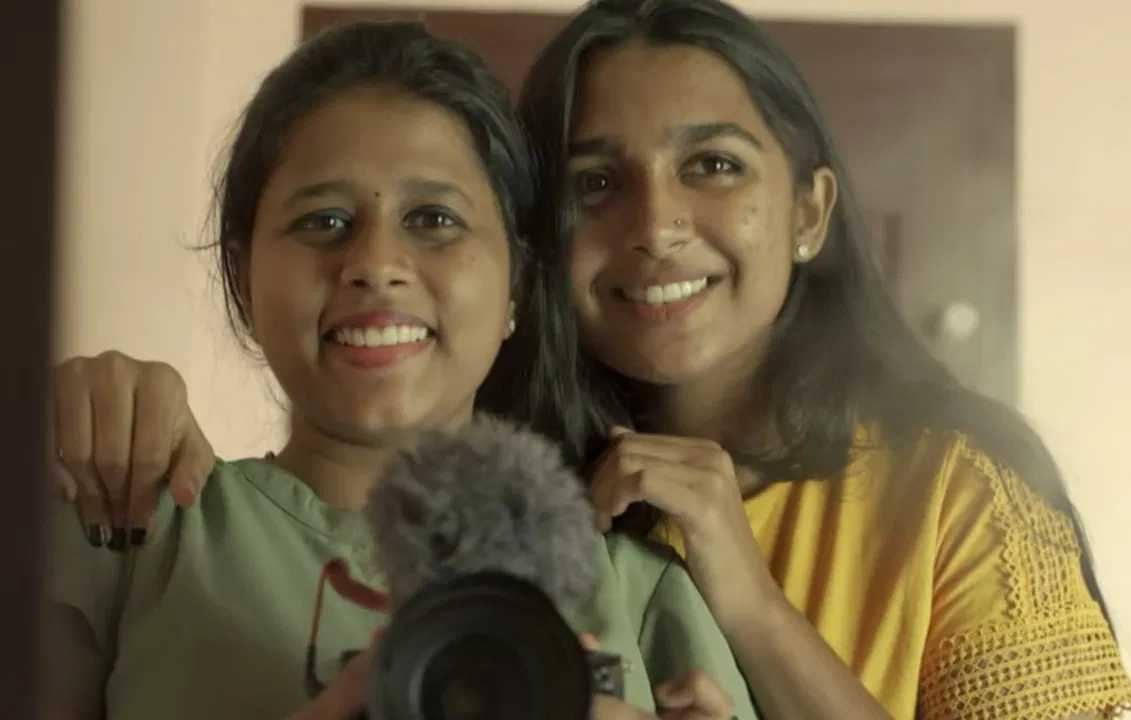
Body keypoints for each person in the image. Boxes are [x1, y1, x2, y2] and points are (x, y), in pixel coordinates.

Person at [50, 1, 1131, 719]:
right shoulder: (139, 522)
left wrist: (751, 609)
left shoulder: (931, 500)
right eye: (592, 183)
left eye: (710, 164)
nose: (656, 225)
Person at [43, 20, 752, 720]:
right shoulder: (124, 529)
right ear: (244, 277)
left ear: (516, 283)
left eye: (435, 219)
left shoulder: (638, 593)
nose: (377, 265)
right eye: (323, 221)